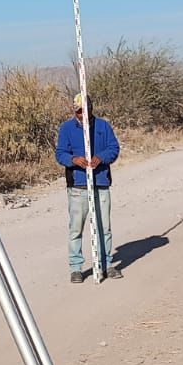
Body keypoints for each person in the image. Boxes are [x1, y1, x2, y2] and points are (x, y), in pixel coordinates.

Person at [55, 91, 121, 283]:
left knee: (104, 227)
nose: (82, 115)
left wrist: (101, 158)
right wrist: (74, 160)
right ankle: (76, 267)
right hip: (78, 186)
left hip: (100, 183)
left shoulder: (103, 126)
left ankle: (106, 264)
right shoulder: (66, 128)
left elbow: (113, 149)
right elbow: (60, 153)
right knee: (76, 228)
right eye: (78, 112)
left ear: (91, 108)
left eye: (85, 110)